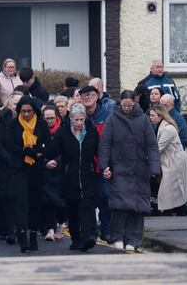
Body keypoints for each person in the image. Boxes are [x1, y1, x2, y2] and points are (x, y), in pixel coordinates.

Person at [99, 90, 160, 252]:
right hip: (119, 168)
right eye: (124, 105)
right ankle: (118, 236)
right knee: (120, 205)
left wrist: (154, 167)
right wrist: (104, 165)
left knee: (138, 207)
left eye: (130, 105)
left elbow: (152, 145)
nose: (126, 108)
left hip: (140, 169)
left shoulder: (143, 120)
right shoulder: (112, 120)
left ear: (135, 103)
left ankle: (134, 240)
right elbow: (105, 143)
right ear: (120, 103)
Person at [45, 103, 99, 252]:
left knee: (87, 207)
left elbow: (99, 150)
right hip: (69, 177)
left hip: (88, 175)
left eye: (81, 120)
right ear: (70, 118)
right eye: (76, 120)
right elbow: (51, 151)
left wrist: (106, 166)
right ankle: (76, 239)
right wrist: (46, 159)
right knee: (73, 210)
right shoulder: (62, 133)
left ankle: (89, 236)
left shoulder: (91, 132)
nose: (79, 123)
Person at [4, 95, 50, 253]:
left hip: (36, 168)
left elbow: (46, 143)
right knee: (21, 201)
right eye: (23, 111)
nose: (26, 114)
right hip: (18, 167)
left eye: (29, 111)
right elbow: (9, 144)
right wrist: (25, 151)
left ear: (34, 110)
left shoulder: (42, 124)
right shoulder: (14, 124)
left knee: (35, 202)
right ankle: (22, 234)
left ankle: (33, 234)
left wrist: (37, 151)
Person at [80, 84, 112, 243]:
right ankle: (91, 233)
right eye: (84, 95)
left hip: (103, 165)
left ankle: (106, 231)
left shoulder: (107, 115)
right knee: (88, 201)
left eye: (90, 94)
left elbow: (113, 141)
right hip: (86, 167)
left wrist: (110, 165)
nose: (87, 97)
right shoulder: (79, 117)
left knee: (105, 197)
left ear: (97, 96)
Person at [149, 105, 187, 216]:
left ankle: (171, 210)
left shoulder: (168, 129)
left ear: (160, 116)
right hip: (170, 159)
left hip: (174, 160)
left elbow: (159, 148)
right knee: (171, 187)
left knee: (171, 186)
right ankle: (175, 209)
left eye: (153, 115)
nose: (151, 118)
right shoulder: (162, 127)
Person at [0, 92, 20, 244]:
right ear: (10, 105)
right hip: (5, 165)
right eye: (15, 104)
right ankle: (8, 229)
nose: (17, 107)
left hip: (22, 165)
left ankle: (18, 228)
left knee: (19, 198)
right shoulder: (4, 120)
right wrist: (9, 158)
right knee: (5, 198)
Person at [40, 104, 65, 242]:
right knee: (46, 201)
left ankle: (60, 224)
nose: (49, 121)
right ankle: (49, 229)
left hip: (59, 171)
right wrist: (45, 163)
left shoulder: (63, 130)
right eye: (46, 118)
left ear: (56, 117)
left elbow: (66, 149)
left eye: (51, 118)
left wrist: (56, 161)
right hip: (44, 172)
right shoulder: (39, 131)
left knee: (59, 202)